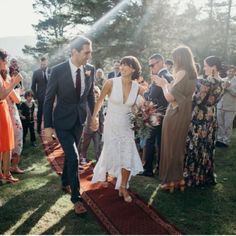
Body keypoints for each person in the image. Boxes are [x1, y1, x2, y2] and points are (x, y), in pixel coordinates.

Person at [44, 35, 95, 215]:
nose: (89, 56)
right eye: (86, 52)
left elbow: (90, 95)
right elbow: (48, 99)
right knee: (73, 156)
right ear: (74, 51)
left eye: (90, 52)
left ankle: (65, 181)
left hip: (79, 121)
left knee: (70, 155)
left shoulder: (91, 69)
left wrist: (93, 116)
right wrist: (48, 126)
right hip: (62, 121)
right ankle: (76, 198)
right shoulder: (58, 71)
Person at [90, 56, 144, 203]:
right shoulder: (110, 83)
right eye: (121, 64)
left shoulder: (137, 87)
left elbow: (138, 107)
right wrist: (94, 117)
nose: (122, 67)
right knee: (113, 152)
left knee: (127, 154)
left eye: (126, 65)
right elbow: (100, 100)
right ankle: (108, 177)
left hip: (127, 125)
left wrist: (143, 116)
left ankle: (123, 186)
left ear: (133, 68)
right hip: (112, 123)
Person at [153, 46, 197, 192]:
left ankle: (169, 181)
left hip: (175, 111)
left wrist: (163, 84)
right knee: (178, 146)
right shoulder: (192, 73)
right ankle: (178, 179)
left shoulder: (181, 73)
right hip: (185, 112)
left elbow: (170, 97)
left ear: (179, 58)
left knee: (170, 145)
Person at [184, 56, 224, 187]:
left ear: (213, 67)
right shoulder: (221, 82)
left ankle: (194, 176)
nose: (204, 68)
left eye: (206, 65)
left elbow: (198, 100)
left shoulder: (208, 82)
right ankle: (205, 174)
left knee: (196, 146)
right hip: (211, 116)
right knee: (206, 146)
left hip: (200, 117)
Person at [140, 53, 173, 177]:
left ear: (160, 62)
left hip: (156, 113)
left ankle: (148, 169)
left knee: (149, 140)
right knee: (161, 142)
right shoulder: (170, 75)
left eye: (152, 65)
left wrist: (144, 91)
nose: (150, 68)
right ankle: (160, 167)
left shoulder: (160, 76)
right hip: (167, 113)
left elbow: (150, 97)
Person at [0, 49, 22, 183]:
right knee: (5, 144)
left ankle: (4, 175)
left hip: (3, 109)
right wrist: (14, 82)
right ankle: (5, 175)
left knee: (6, 144)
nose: (7, 63)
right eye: (5, 60)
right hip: (1, 110)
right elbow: (1, 95)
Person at [80, 86, 104, 164]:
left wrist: (102, 129)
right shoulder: (86, 103)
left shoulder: (100, 104)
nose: (95, 94)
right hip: (87, 127)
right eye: (93, 92)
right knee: (85, 144)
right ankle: (83, 157)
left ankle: (99, 161)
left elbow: (101, 117)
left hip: (97, 129)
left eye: (96, 92)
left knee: (98, 146)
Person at [216, 65, 236, 147]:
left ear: (235, 72)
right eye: (229, 71)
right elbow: (218, 93)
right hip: (220, 106)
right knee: (220, 124)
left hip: (231, 107)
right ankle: (219, 139)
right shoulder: (222, 80)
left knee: (228, 125)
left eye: (232, 71)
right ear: (226, 72)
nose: (230, 72)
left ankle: (226, 141)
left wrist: (229, 87)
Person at [31, 56, 50, 134]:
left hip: (50, 97)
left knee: (49, 114)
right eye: (42, 64)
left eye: (44, 64)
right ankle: (39, 130)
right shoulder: (36, 73)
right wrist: (35, 97)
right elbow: (33, 86)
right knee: (40, 114)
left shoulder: (52, 71)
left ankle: (49, 129)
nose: (43, 66)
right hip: (40, 97)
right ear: (40, 64)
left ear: (47, 63)